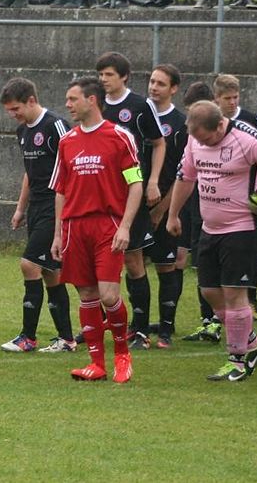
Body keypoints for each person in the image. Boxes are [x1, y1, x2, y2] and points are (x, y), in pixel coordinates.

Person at [166, 101, 257, 381]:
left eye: (206, 139)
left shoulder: (246, 137)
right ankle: (253, 345)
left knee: (234, 293)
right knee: (209, 291)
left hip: (243, 228)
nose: (203, 144)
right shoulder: (194, 139)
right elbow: (185, 176)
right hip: (210, 228)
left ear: (219, 126)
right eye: (198, 139)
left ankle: (237, 360)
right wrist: (173, 214)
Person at [50, 76, 144, 382]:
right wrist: (58, 233)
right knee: (87, 294)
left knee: (108, 294)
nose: (67, 104)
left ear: (92, 100)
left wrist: (125, 227)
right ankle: (96, 364)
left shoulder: (119, 136)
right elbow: (61, 190)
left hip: (107, 225)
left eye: (73, 99)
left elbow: (136, 184)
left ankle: (122, 355)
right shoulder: (67, 141)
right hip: (75, 227)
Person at [0, 77, 75, 353]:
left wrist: (67, 211)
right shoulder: (23, 131)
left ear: (31, 100)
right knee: (50, 272)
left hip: (57, 206)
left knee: (29, 264)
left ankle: (28, 337)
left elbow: (73, 166)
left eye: (16, 109)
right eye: (9, 110)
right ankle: (66, 339)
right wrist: (21, 208)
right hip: (37, 207)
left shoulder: (55, 126)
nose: (13, 114)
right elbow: (29, 173)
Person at [95, 52, 165, 350]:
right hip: (100, 195)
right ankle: (100, 325)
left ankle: (140, 330)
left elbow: (159, 143)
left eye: (109, 74)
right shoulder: (95, 103)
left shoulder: (139, 105)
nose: (103, 80)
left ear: (124, 76)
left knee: (133, 260)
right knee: (98, 262)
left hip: (129, 193)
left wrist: (153, 181)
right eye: (100, 75)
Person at [212, 73, 257, 320]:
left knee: (249, 252)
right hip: (217, 199)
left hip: (247, 197)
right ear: (216, 98)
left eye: (236, 97)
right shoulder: (210, 121)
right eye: (227, 98)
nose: (232, 102)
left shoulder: (251, 119)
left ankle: (250, 298)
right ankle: (216, 311)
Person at [143, 64, 188, 348]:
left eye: (161, 83)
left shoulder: (181, 124)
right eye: (152, 81)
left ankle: (166, 330)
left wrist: (163, 210)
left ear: (174, 89)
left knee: (165, 266)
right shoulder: (140, 114)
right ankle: (138, 327)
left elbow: (184, 172)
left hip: (167, 205)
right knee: (134, 265)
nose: (153, 87)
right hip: (135, 205)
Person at [177, 81, 223, 343]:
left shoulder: (233, 135)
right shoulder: (193, 137)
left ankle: (222, 320)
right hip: (197, 204)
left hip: (225, 212)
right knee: (200, 264)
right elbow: (185, 173)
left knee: (220, 269)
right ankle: (208, 321)